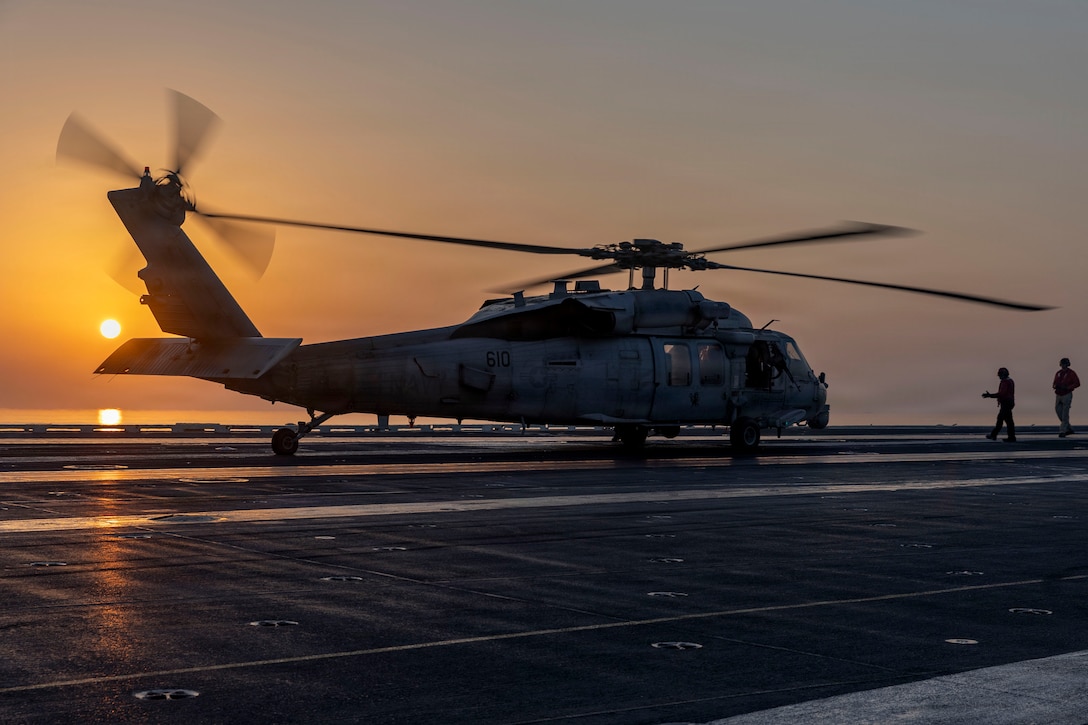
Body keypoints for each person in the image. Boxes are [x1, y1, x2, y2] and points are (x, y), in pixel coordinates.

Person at [982, 367, 1015, 442]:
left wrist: (990, 395)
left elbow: (1002, 394)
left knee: (1000, 419)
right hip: (1009, 402)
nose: (999, 376)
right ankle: (1011, 437)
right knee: (1009, 420)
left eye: (1000, 375)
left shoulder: (1005, 382)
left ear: (1003, 374)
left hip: (1006, 403)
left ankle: (994, 435)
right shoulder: (1010, 381)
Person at [1053, 357, 1081, 438]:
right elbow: (1054, 383)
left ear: (1067, 364)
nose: (1063, 365)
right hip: (1058, 394)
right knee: (1058, 411)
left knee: (1065, 413)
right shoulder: (1058, 373)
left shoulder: (1071, 373)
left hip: (1067, 394)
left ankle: (1062, 431)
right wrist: (1055, 386)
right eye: (1062, 364)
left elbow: (1077, 383)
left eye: (1065, 364)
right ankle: (1069, 428)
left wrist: (1068, 387)